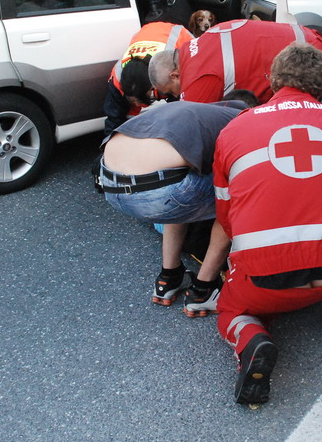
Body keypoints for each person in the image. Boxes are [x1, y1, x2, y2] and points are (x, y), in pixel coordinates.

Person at [212, 43, 322, 404]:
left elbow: (226, 214)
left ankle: (252, 338)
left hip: (266, 283)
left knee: (231, 308)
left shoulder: (234, 130)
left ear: (271, 79)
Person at [99, 91, 259, 316]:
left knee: (184, 176)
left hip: (109, 184)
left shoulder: (195, 112)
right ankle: (203, 289)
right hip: (159, 190)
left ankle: (169, 277)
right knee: (234, 193)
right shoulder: (241, 120)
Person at [147, 19, 322, 104]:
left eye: (172, 91)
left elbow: (199, 129)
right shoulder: (204, 39)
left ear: (175, 75)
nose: (176, 95)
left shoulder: (197, 79)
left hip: (309, 63)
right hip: (309, 38)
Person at [103, 22, 194, 138]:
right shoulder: (117, 80)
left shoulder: (166, 73)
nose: (137, 104)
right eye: (132, 101)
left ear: (152, 86)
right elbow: (113, 121)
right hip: (146, 33)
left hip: (175, 35)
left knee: (182, 110)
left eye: (139, 99)